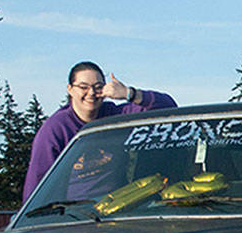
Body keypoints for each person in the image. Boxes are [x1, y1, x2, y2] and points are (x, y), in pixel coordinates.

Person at [22, 62, 176, 202]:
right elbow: (38, 180)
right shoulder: (56, 128)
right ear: (70, 89)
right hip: (73, 213)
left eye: (98, 87)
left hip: (120, 206)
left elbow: (169, 108)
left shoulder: (115, 115)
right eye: (83, 87)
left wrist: (129, 93)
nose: (91, 93)